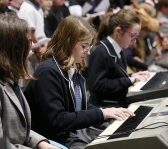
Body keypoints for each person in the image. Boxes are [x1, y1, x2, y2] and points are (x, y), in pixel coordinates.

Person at [24, 15, 135, 148]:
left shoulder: (73, 67)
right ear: (68, 43)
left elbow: (81, 107)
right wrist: (101, 113)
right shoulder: (48, 72)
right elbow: (58, 120)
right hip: (53, 141)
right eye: (84, 46)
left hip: (72, 134)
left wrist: (109, 111)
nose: (88, 52)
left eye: (89, 46)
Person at [0, 14, 63, 149]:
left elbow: (21, 131)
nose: (32, 45)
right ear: (14, 47)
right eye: (28, 41)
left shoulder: (9, 77)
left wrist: (40, 143)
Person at [88, 9, 150, 108]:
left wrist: (133, 75)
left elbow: (114, 77)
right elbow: (98, 86)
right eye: (133, 36)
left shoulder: (118, 50)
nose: (134, 41)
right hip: (105, 108)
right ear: (118, 31)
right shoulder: (100, 52)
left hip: (116, 104)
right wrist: (130, 80)